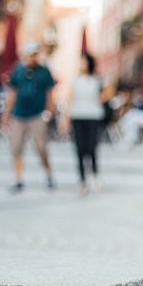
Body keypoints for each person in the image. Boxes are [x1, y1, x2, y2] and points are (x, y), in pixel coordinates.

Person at [2, 40, 57, 192]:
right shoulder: (18, 70)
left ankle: (48, 175)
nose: (33, 57)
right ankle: (18, 179)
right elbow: (12, 91)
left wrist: (49, 110)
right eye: (31, 54)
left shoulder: (44, 71)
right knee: (16, 146)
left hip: (37, 114)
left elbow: (49, 92)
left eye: (35, 54)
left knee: (41, 146)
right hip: (18, 114)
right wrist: (7, 112)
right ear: (25, 55)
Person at [59, 53, 106, 195]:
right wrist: (65, 117)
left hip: (93, 116)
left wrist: (101, 97)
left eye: (84, 61)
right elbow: (70, 98)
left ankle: (95, 177)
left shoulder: (97, 79)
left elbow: (108, 92)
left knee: (91, 148)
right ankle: (82, 181)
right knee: (79, 149)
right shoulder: (75, 80)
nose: (81, 64)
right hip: (77, 116)